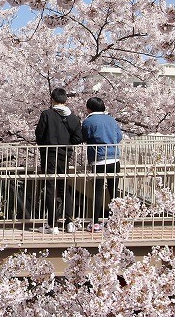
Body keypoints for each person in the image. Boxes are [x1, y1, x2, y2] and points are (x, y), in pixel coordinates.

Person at [35, 87, 83, 233]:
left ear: (52, 99)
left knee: (50, 186)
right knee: (64, 186)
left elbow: (39, 134)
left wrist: (45, 144)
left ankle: (52, 224)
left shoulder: (47, 114)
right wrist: (67, 143)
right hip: (65, 154)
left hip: (49, 153)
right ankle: (70, 223)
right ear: (66, 100)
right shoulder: (73, 117)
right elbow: (78, 138)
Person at [81, 97, 123, 228]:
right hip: (114, 158)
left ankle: (95, 222)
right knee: (113, 190)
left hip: (99, 159)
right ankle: (115, 219)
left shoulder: (88, 121)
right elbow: (119, 136)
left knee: (98, 191)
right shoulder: (111, 120)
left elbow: (83, 137)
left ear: (89, 108)